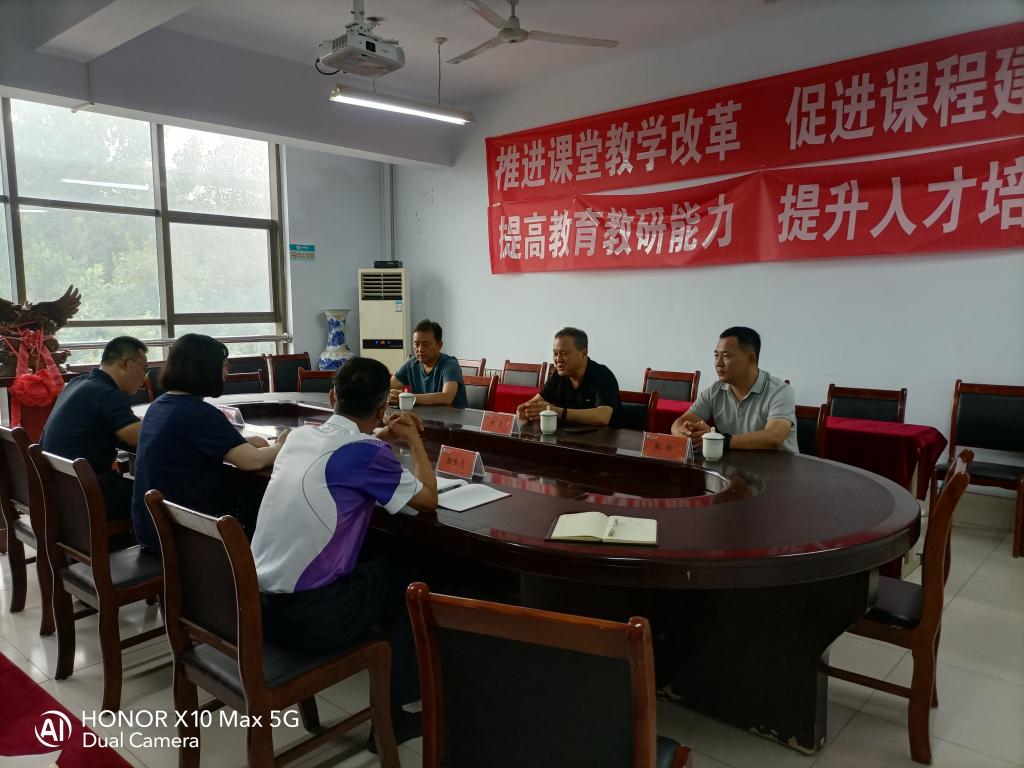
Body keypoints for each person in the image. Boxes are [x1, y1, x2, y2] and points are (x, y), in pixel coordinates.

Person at [252, 357, 437, 748]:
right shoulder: (368, 453)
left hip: (259, 609)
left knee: (378, 556)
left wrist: (382, 433)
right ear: (383, 406)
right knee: (413, 577)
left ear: (332, 397)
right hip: (314, 618)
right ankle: (393, 717)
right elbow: (427, 500)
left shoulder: (298, 437)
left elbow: (346, 444)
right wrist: (414, 441)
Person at [130, 334, 287, 550]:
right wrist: (282, 445)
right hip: (184, 537)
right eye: (223, 365)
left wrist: (241, 442)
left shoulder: (160, 405)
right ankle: (253, 566)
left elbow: (189, 444)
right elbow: (253, 461)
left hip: (151, 528)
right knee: (263, 503)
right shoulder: (200, 413)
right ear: (205, 369)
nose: (226, 372)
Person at [41, 336, 150, 520]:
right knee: (159, 499)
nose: (144, 377)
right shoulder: (107, 393)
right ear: (125, 363)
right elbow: (137, 437)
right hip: (87, 494)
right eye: (144, 369)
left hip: (58, 489)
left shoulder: (78, 383)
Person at [671, 326, 797, 453]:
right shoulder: (714, 391)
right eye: (716, 356)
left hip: (777, 465)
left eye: (726, 356)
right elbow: (679, 423)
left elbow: (774, 437)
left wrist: (720, 440)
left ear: (751, 359)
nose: (718, 363)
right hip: (733, 464)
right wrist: (683, 433)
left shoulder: (780, 391)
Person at [516, 327, 621, 427]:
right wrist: (525, 409)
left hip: (602, 438)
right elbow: (533, 404)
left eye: (564, 353)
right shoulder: (558, 376)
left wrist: (558, 412)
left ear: (584, 352)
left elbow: (603, 417)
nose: (558, 359)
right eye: (555, 353)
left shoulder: (602, 375)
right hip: (566, 436)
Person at [389, 319, 467, 408]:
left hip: (451, 416)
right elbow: (390, 386)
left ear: (439, 345)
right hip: (423, 415)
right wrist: (391, 395)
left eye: (425, 344)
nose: (420, 349)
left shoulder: (450, 364)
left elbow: (447, 397)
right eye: (416, 344)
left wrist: (407, 397)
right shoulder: (412, 363)